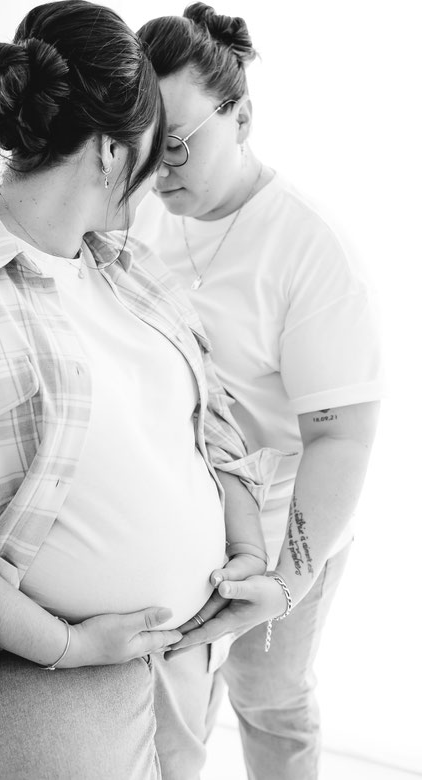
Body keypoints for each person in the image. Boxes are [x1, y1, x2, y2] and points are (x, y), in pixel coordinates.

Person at [0, 2, 280, 778]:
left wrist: (247, 555)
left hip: (184, 647)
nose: (164, 173)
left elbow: (212, 421)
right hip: (44, 664)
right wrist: (68, 645)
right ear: (112, 150)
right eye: (157, 148)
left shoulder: (127, 264)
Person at [134, 4, 383, 779]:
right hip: (177, 531)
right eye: (142, 145)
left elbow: (340, 436)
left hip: (284, 528)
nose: (159, 167)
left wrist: (284, 578)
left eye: (176, 144)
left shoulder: (308, 249)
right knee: (171, 717)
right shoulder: (135, 210)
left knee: (268, 695)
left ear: (241, 116)